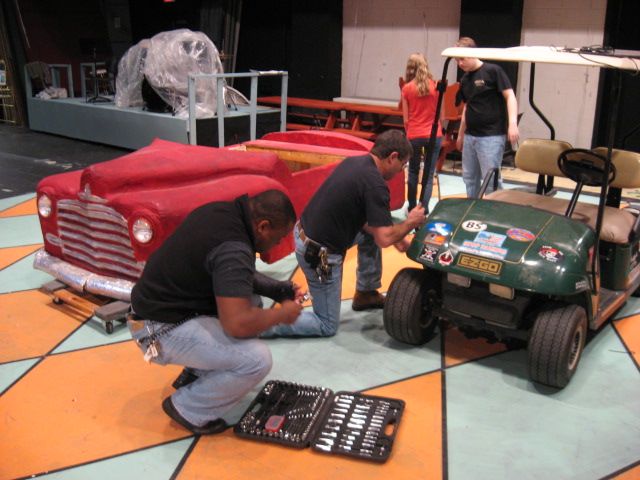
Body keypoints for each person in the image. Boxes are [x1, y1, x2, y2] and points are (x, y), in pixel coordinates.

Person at [127, 190, 305, 435]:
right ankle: (189, 408)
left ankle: (195, 372)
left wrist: (276, 289)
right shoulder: (233, 247)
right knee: (257, 360)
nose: (278, 244)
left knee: (252, 303)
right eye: (279, 238)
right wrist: (283, 314)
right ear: (263, 226)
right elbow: (238, 324)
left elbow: (232, 271)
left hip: (162, 311)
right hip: (157, 331)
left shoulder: (221, 213)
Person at [262, 130, 428, 338]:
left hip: (306, 235)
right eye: (402, 165)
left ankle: (366, 293)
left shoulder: (356, 163)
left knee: (370, 235)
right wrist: (410, 222)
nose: (400, 172)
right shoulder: (376, 185)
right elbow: (384, 238)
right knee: (326, 324)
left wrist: (400, 236)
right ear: (392, 157)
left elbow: (371, 225)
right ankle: (261, 323)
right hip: (319, 255)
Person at [454, 37, 519, 198]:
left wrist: (512, 123)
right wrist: (461, 134)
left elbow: (510, 96)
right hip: (471, 136)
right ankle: (473, 210)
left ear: (473, 54)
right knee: (469, 178)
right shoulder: (465, 79)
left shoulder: (493, 71)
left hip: (491, 136)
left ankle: (496, 214)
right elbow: (467, 106)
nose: (460, 64)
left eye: (462, 59)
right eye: (457, 60)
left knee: (491, 181)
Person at [401, 53, 443, 212]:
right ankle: (423, 208)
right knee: (429, 172)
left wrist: (409, 133)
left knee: (412, 171)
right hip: (434, 134)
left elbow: (406, 120)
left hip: (414, 135)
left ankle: (412, 208)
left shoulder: (406, 89)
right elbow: (442, 115)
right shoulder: (436, 86)